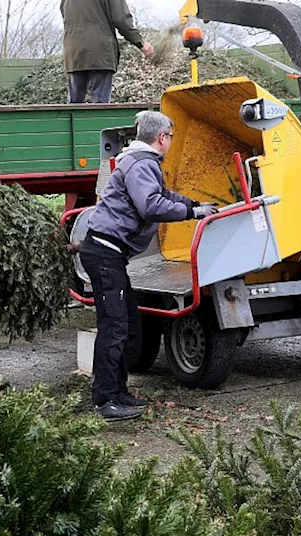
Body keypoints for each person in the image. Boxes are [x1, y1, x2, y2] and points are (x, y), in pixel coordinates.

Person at [79, 111, 217, 421]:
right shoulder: (142, 163)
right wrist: (191, 215)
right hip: (104, 254)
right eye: (170, 137)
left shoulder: (140, 162)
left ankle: (119, 393)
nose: (170, 141)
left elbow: (163, 195)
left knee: (128, 323)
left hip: (109, 254)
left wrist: (193, 204)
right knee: (114, 329)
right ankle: (105, 400)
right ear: (162, 138)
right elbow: (151, 205)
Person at [60, 0, 154, 104]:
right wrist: (140, 42)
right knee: (100, 105)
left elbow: (63, 11)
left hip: (74, 49)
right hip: (100, 50)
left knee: (74, 103)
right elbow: (121, 19)